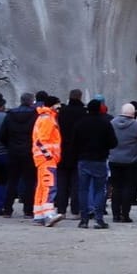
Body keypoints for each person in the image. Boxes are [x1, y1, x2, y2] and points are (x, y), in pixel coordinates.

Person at [72, 98, 115, 229]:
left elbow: (74, 143)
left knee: (83, 190)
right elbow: (114, 142)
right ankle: (99, 219)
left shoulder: (80, 123)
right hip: (99, 160)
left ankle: (84, 219)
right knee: (99, 190)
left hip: (83, 160)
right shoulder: (105, 123)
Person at [107, 102, 137, 223]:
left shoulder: (112, 123)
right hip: (131, 161)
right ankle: (125, 214)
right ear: (133, 113)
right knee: (127, 187)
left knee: (116, 187)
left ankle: (115, 214)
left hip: (114, 160)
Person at [1, 93, 38, 218]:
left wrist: (9, 145)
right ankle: (28, 210)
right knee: (29, 181)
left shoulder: (10, 115)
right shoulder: (35, 115)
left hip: (13, 151)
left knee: (12, 181)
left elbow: (2, 134)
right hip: (29, 151)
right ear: (31, 101)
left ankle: (7, 209)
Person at [53, 89, 87, 217]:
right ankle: (75, 210)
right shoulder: (83, 112)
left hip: (62, 150)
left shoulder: (62, 112)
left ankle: (61, 209)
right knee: (76, 183)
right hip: (78, 151)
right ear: (80, 97)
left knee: (61, 182)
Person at [32, 96, 63, 226]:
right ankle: (48, 214)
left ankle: (39, 215)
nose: (60, 108)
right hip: (47, 159)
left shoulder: (44, 117)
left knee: (41, 187)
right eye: (58, 105)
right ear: (52, 105)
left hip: (42, 158)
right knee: (49, 186)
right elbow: (41, 141)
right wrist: (49, 156)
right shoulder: (48, 119)